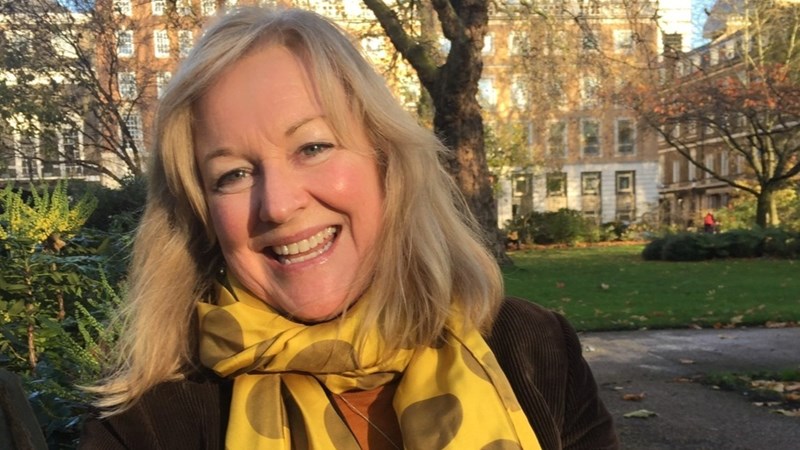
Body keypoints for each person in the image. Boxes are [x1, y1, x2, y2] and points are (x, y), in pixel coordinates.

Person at [79, 7, 617, 450]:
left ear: (386, 160)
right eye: (233, 174)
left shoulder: (535, 352)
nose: (279, 205)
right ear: (201, 216)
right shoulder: (149, 423)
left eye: (312, 147)